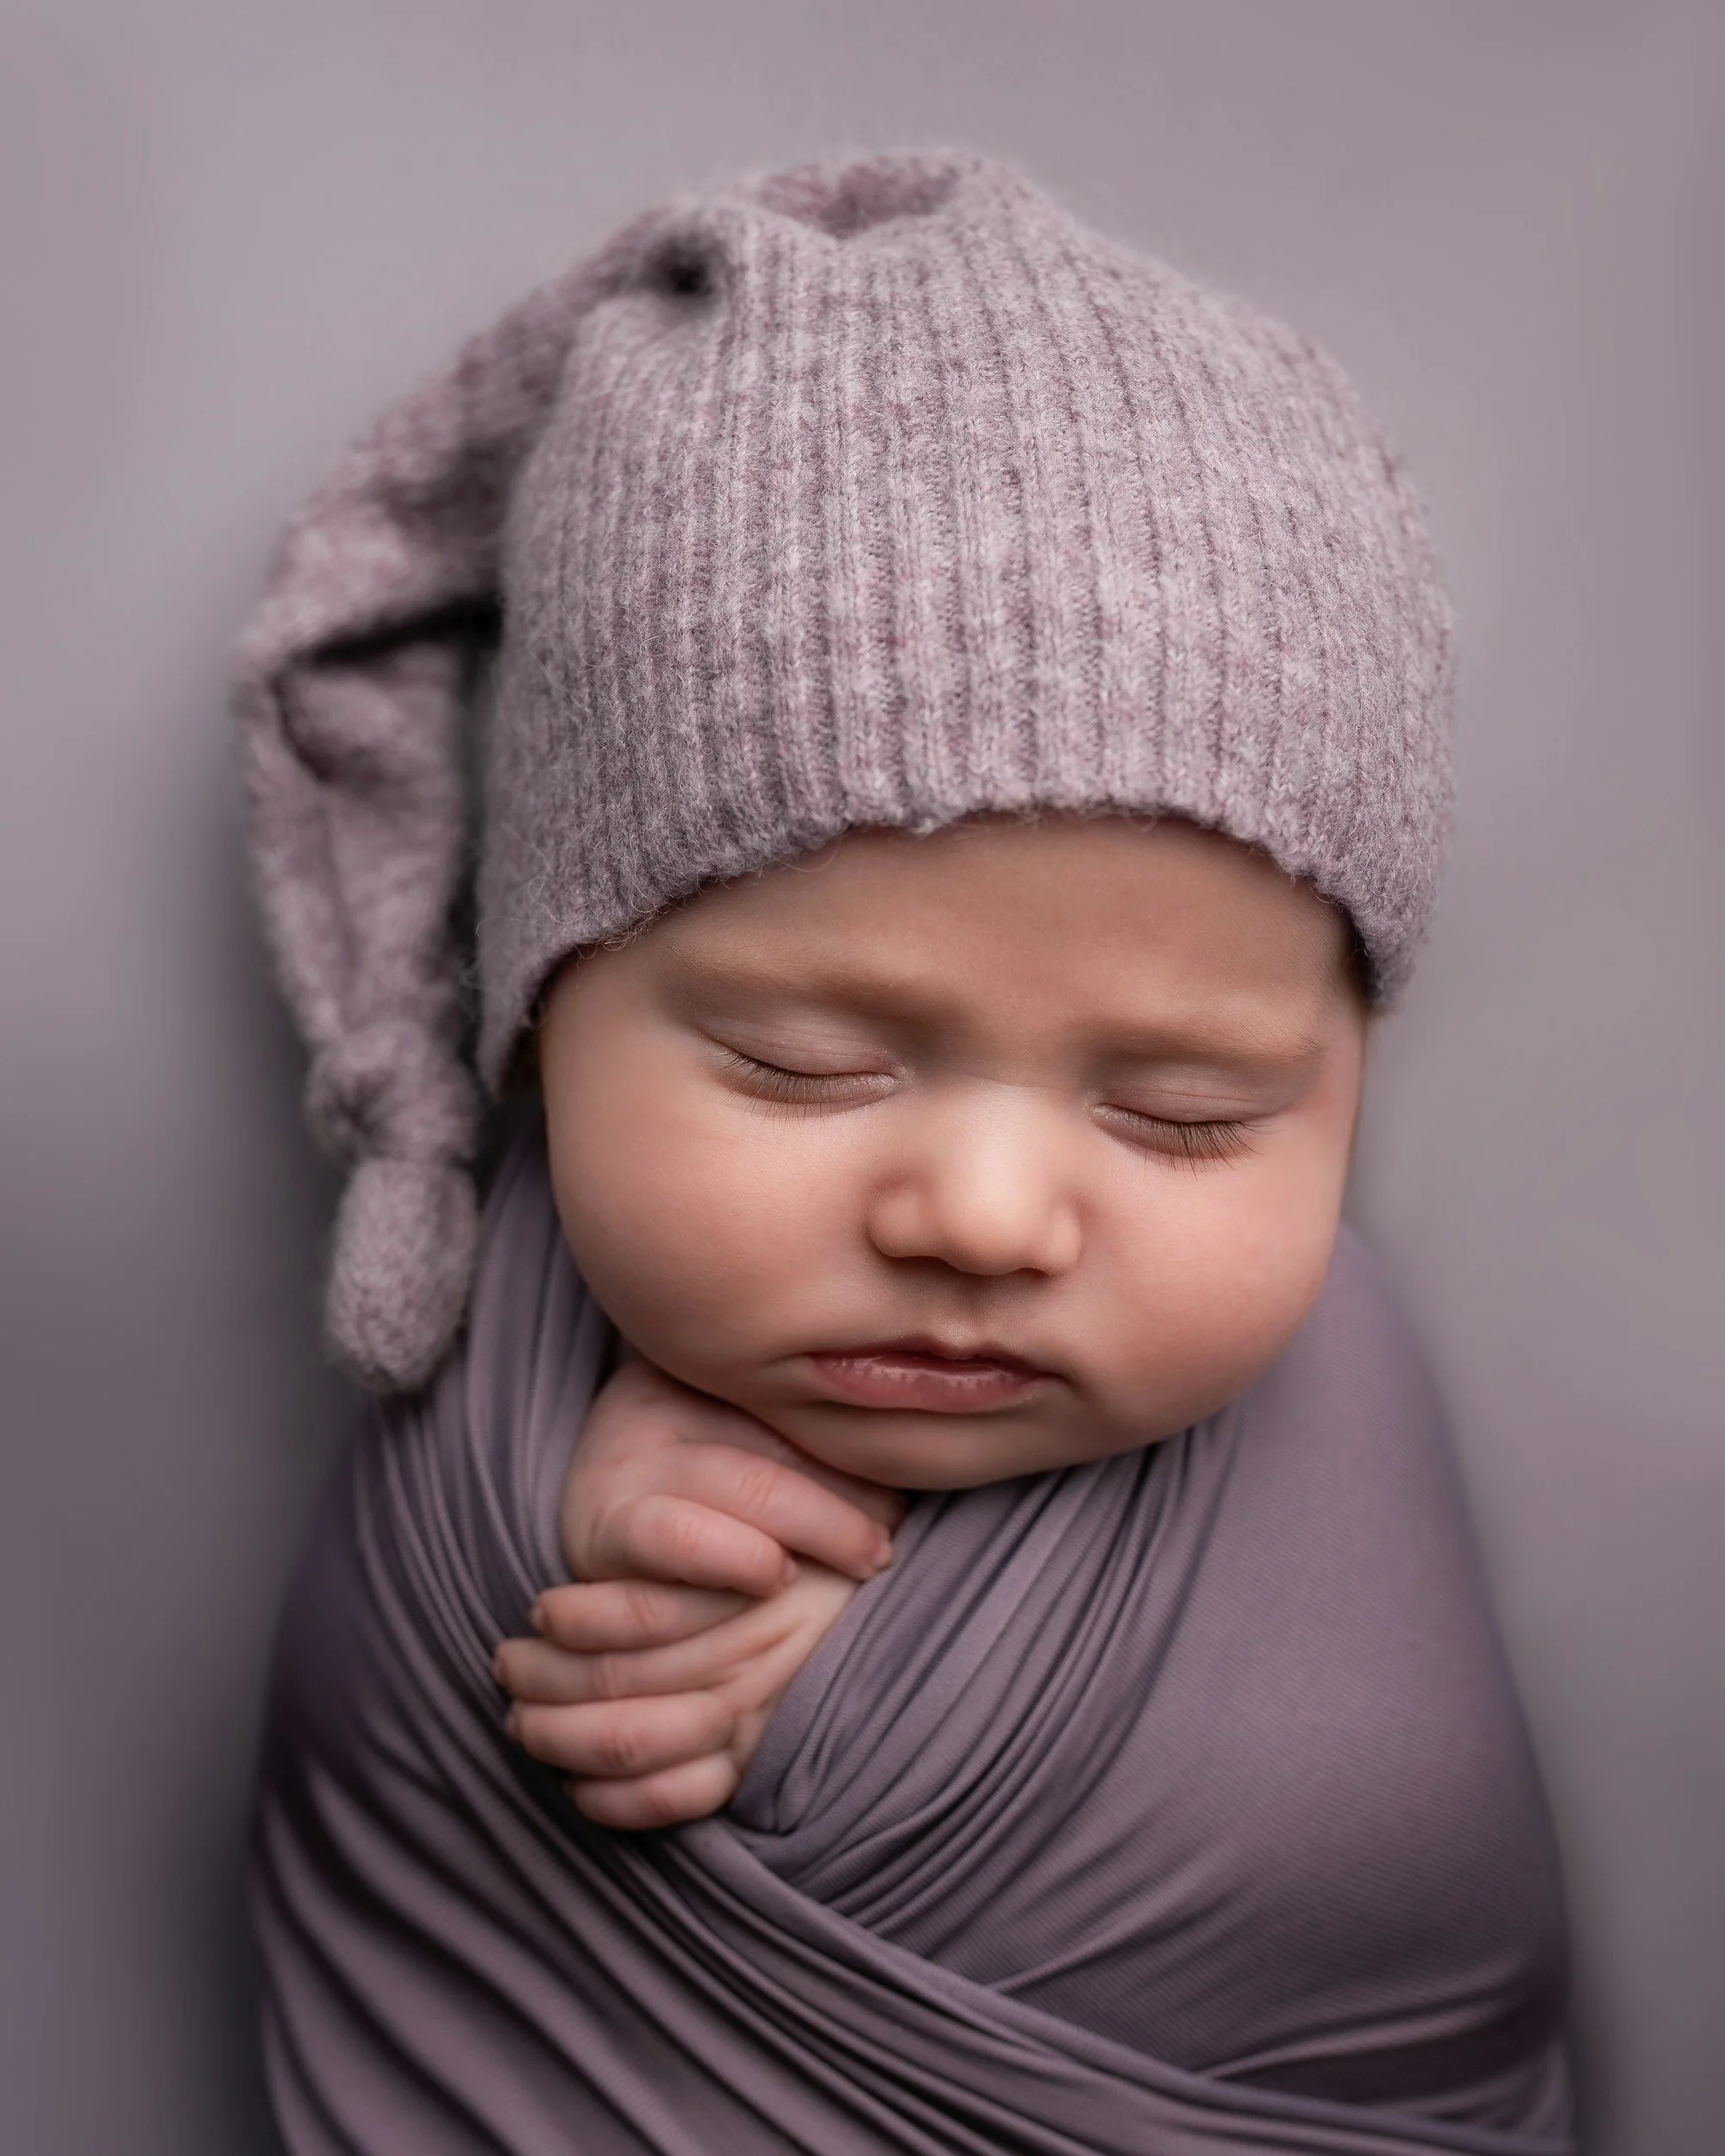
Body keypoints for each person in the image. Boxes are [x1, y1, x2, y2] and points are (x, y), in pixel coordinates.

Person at [236, 150, 1572, 2154]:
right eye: (799, 1064)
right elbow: (402, 1758)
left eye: (1183, 1111)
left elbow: (1370, 1892)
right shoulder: (488, 1370)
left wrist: (876, 1698)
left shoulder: (1341, 1431)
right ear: (538, 1007)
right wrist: (547, 1506)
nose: (980, 1216)